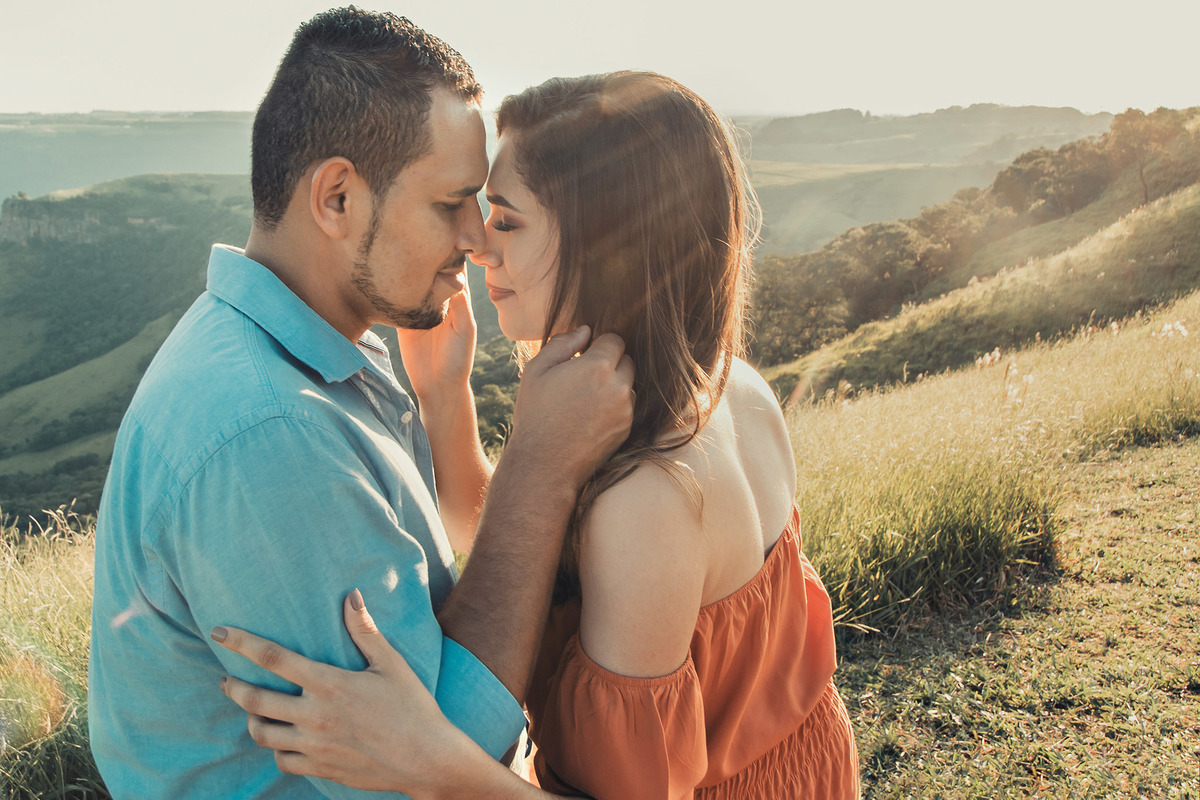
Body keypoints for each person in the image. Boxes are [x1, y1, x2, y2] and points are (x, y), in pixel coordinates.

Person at [213, 71, 860, 798]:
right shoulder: (732, 384)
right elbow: (521, 538)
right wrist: (445, 395)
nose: (477, 245)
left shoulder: (647, 500)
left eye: (508, 220)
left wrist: (424, 756)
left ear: (608, 240)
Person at [87, 9, 634, 799]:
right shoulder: (271, 434)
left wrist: (445, 399)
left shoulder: (307, 349)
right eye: (451, 203)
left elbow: (422, 619)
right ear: (337, 198)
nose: (478, 239)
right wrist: (541, 465)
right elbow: (431, 761)